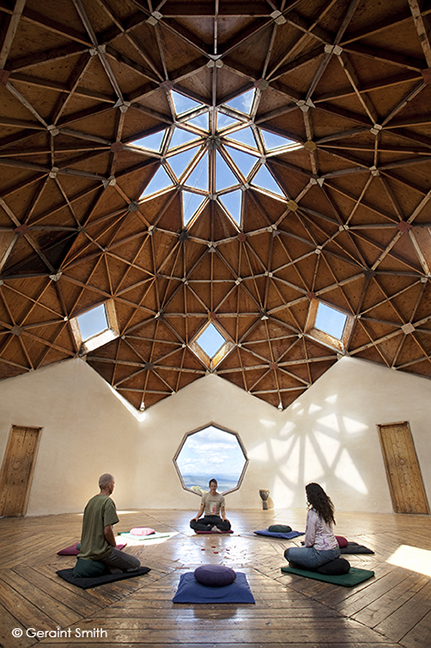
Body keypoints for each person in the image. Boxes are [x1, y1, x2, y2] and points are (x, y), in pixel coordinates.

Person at [77, 473, 140, 573]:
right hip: (101, 551)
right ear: (109, 486)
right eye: (113, 484)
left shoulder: (91, 501)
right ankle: (108, 567)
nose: (113, 487)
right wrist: (113, 545)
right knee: (135, 564)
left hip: (86, 549)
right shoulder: (108, 502)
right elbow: (107, 531)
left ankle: (109, 566)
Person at [284, 482, 340, 570]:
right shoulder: (327, 509)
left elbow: (310, 541)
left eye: (307, 495)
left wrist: (305, 547)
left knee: (288, 553)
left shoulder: (313, 513)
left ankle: (308, 564)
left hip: (321, 553)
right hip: (336, 550)